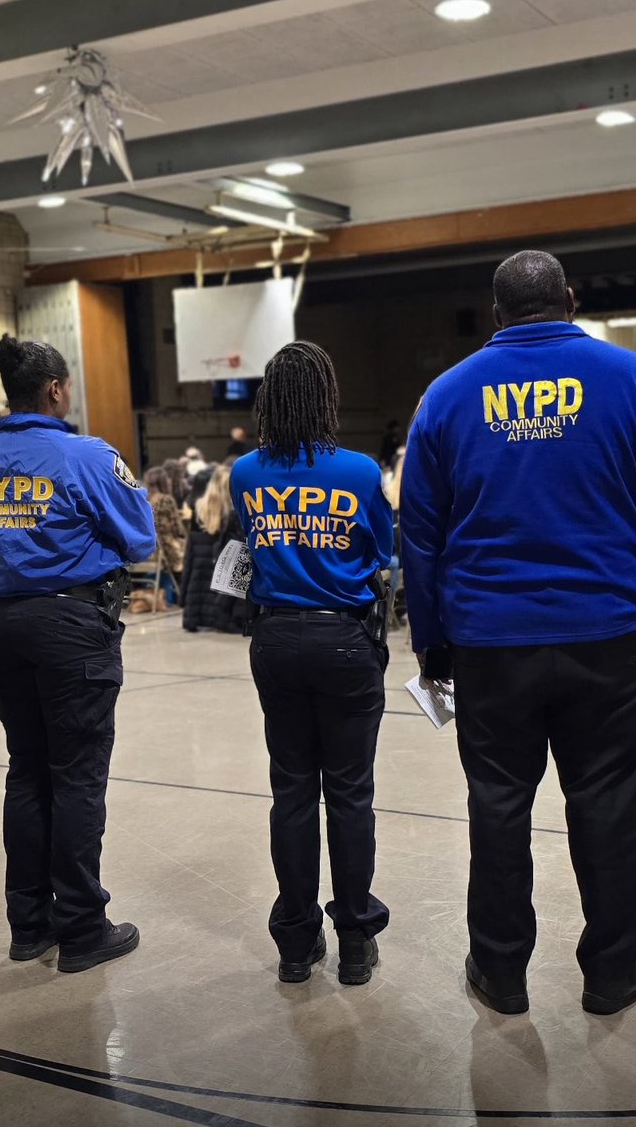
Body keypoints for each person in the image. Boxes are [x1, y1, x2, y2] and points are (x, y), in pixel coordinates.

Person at [401, 250, 636, 1017]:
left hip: (489, 640)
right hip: (612, 634)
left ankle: (499, 973)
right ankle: (610, 970)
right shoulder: (632, 381)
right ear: (568, 299)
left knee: (496, 804)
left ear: (495, 312)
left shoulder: (444, 396)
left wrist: (433, 640)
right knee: (612, 803)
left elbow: (422, 535)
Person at [0, 335, 156, 972]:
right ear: (56, 390)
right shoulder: (87, 455)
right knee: (77, 774)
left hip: (2, 625)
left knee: (28, 770)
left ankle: (30, 922)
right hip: (70, 624)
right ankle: (81, 927)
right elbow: (139, 536)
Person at [230, 341, 393, 985]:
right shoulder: (357, 471)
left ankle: (296, 942)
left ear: (269, 398)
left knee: (291, 791)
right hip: (344, 640)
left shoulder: (245, 472)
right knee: (350, 793)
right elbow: (381, 550)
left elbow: (247, 551)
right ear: (327, 396)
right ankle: (355, 939)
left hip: (275, 640)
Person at [180, 464, 248, 634]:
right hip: (225, 554)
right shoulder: (233, 509)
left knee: (199, 586)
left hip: (199, 553)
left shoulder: (199, 506)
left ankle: (196, 619)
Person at [143, 466, 185, 595]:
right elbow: (177, 529)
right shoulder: (166, 500)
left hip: (148, 550)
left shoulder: (144, 499)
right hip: (166, 549)